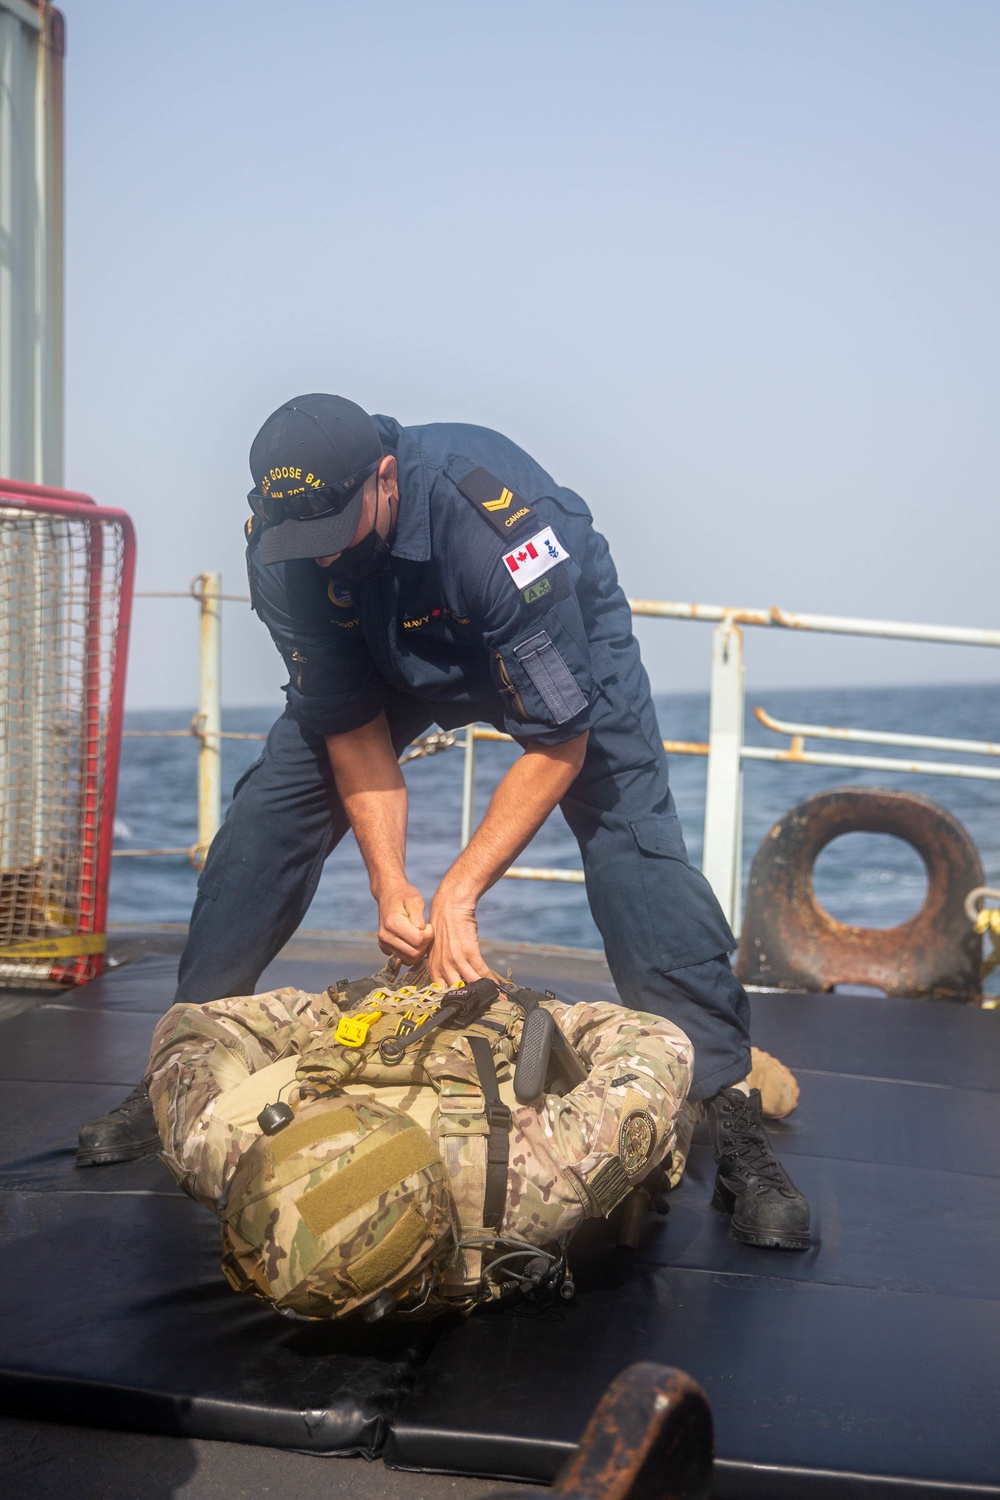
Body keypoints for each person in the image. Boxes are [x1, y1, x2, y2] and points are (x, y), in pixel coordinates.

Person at [80, 394, 810, 1253]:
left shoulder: (494, 529)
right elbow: (349, 726)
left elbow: (558, 737)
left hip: (547, 632)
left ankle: (731, 1115)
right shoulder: (285, 546)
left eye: (336, 533)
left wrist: (458, 892)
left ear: (384, 481)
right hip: (387, 654)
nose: (321, 556)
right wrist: (392, 883)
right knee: (263, 824)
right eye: (300, 544)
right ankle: (184, 1059)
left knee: (633, 849)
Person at [145, 967, 698, 1318]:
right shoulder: (532, 1184)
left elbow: (192, 1026)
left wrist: (348, 1012)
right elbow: (658, 1041)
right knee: (681, 1119)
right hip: (499, 1025)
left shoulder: (219, 1148)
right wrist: (526, 1009)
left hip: (397, 1015)